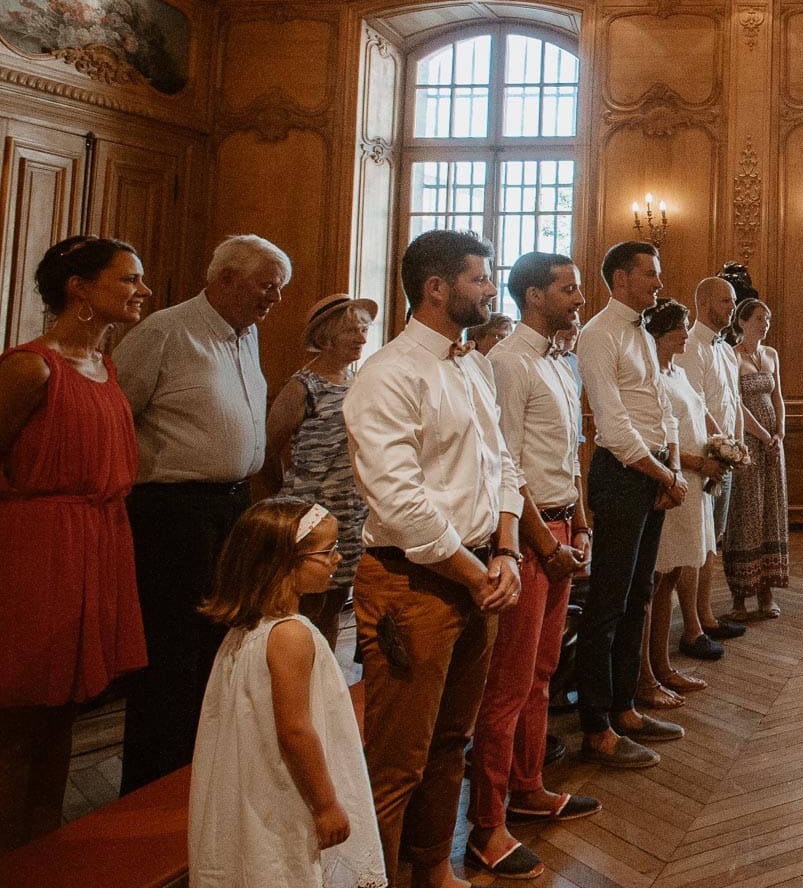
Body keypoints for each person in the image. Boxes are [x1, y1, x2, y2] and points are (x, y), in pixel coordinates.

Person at [343, 228, 523, 888]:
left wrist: (506, 550)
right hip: (412, 584)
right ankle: (375, 880)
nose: (489, 288)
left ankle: (431, 869)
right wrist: (478, 575)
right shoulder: (388, 374)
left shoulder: (469, 364)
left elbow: (504, 463)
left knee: (452, 743)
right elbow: (399, 501)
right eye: (479, 278)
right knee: (396, 759)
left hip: (479, 575)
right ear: (436, 288)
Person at [118, 232, 290, 794]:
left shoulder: (248, 335)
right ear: (225, 280)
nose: (274, 300)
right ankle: (152, 790)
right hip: (173, 512)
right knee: (172, 657)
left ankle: (203, 781)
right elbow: (118, 419)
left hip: (232, 507)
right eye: (266, 286)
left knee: (222, 645)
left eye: (279, 288)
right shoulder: (164, 332)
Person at [0, 236, 151, 851]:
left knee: (61, 709)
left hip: (99, 538)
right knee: (20, 708)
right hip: (38, 547)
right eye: (128, 279)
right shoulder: (30, 366)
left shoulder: (104, 365)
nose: (142, 291)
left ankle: (43, 843)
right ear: (79, 288)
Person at [466, 252, 600, 879]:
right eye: (568, 288)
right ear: (534, 295)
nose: (579, 297)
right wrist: (542, 544)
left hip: (563, 526)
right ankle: (486, 826)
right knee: (508, 685)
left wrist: (583, 520)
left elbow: (571, 453)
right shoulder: (508, 363)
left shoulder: (561, 360)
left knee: (544, 673)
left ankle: (529, 785)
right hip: (526, 535)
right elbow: (503, 463)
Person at [187, 497, 383, 888]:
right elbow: (295, 731)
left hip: (254, 785)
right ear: (283, 563)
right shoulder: (290, 635)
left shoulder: (246, 630)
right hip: (289, 793)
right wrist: (326, 804)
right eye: (326, 551)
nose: (337, 559)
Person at [575, 241, 687, 767]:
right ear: (620, 279)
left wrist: (675, 470)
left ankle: (625, 709)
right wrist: (662, 471)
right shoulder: (596, 334)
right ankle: (595, 725)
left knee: (639, 594)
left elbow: (661, 407)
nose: (658, 284)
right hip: (622, 475)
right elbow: (613, 424)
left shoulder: (641, 331)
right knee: (609, 601)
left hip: (653, 474)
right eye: (651, 275)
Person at [261, 293, 376, 647]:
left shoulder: (358, 380)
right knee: (305, 607)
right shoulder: (303, 385)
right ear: (325, 337)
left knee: (334, 606)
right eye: (351, 331)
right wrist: (289, 503)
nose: (361, 338)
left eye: (363, 330)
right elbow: (267, 450)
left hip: (351, 514)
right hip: (310, 515)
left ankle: (325, 683)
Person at [639, 299, 720, 708]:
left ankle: (663, 665)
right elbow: (652, 439)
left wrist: (719, 450)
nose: (687, 335)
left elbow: (696, 419)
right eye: (681, 329)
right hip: (670, 486)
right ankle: (647, 674)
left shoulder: (678, 372)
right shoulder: (651, 375)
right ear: (661, 332)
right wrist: (694, 462)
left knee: (671, 577)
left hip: (692, 485)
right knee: (655, 581)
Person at [680, 275, 763, 633]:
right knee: (694, 545)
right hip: (702, 459)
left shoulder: (725, 349)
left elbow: (735, 404)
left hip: (725, 457)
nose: (732, 308)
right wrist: (720, 446)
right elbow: (695, 405)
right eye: (726, 302)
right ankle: (692, 625)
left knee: (713, 540)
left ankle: (706, 616)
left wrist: (738, 444)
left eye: (733, 301)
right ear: (704, 304)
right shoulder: (690, 347)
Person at [725, 298, 788, 619]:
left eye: (768, 318)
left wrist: (780, 434)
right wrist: (763, 437)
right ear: (742, 321)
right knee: (745, 514)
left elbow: (778, 397)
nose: (765, 324)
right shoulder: (731, 356)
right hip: (748, 442)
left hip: (773, 447)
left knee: (770, 512)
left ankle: (767, 592)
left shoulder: (772, 355)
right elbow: (735, 405)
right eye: (760, 318)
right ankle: (739, 597)